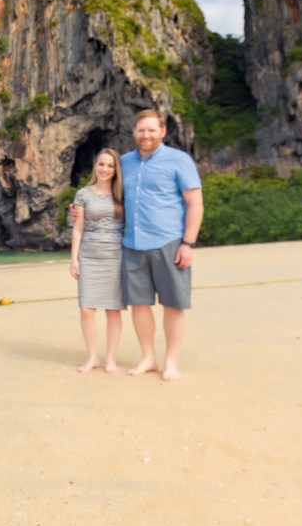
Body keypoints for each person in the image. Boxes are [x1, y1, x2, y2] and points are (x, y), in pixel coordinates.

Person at [119, 109, 203, 381]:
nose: (146, 135)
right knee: (139, 304)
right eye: (142, 130)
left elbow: (195, 203)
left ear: (163, 131)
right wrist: (79, 210)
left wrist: (187, 243)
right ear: (134, 132)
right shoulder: (123, 163)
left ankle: (170, 361)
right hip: (132, 244)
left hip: (169, 242)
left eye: (152, 130)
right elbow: (107, 198)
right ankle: (148, 358)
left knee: (173, 304)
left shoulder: (179, 160)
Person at [69, 148, 125, 374]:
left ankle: (110, 359)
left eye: (110, 166)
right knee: (86, 310)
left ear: (116, 170)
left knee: (113, 310)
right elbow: (78, 228)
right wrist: (74, 259)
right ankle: (92, 357)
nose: (105, 169)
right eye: (101, 164)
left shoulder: (122, 195)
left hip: (116, 256)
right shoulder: (83, 194)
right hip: (89, 255)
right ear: (95, 165)